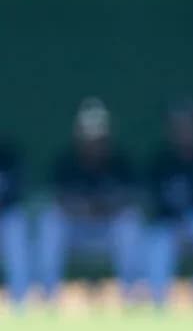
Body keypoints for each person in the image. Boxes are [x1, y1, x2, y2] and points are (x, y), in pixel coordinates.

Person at [37, 98, 144, 300]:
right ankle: (49, 296)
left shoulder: (120, 162)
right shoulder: (66, 162)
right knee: (50, 222)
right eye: (88, 135)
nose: (93, 141)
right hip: (75, 231)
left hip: (108, 230)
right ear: (78, 135)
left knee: (130, 223)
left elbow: (127, 201)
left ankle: (131, 295)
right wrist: (84, 209)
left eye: (98, 136)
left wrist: (101, 208)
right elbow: (59, 201)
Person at [145, 101, 193, 305]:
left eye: (190, 126)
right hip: (172, 227)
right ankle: (158, 305)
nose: (185, 132)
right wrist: (179, 226)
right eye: (180, 127)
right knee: (158, 243)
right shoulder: (161, 162)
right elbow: (154, 206)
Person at [0, 141, 31, 308]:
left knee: (16, 225)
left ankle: (20, 301)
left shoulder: (7, 155)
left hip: (6, 216)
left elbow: (17, 193)